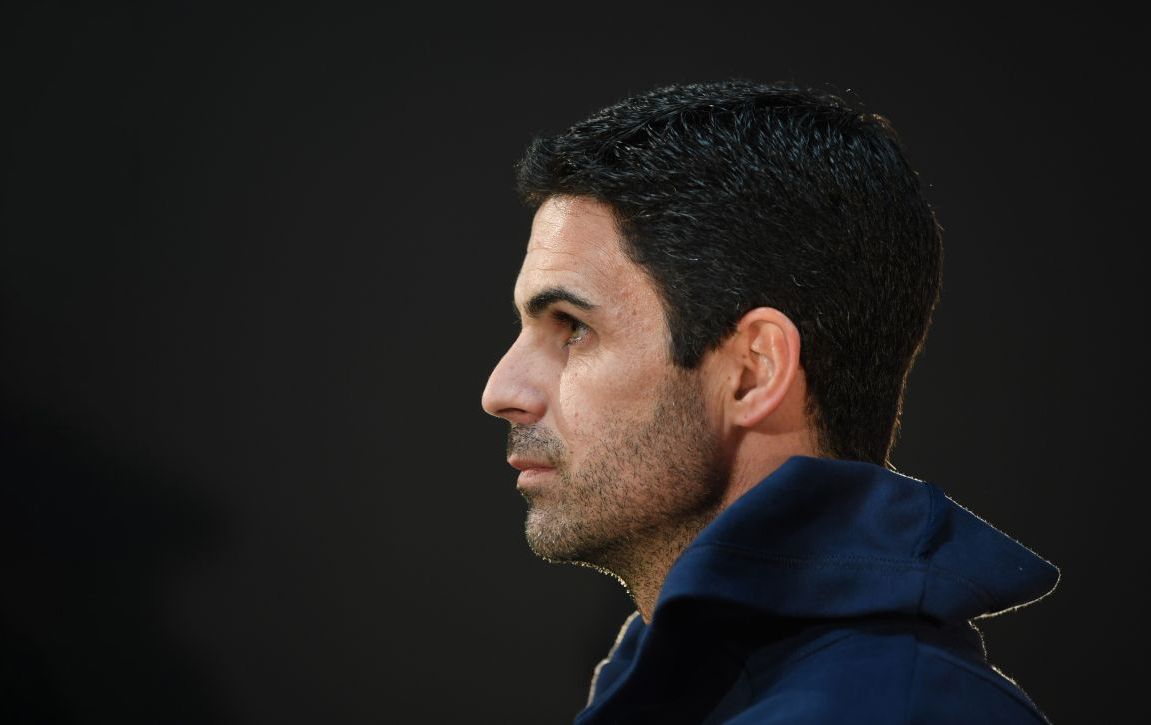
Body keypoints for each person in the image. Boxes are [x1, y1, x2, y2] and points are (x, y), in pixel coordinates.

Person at [480, 80, 1058, 724]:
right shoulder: (687, 682)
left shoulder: (895, 713)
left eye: (572, 326)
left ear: (754, 372)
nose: (501, 392)